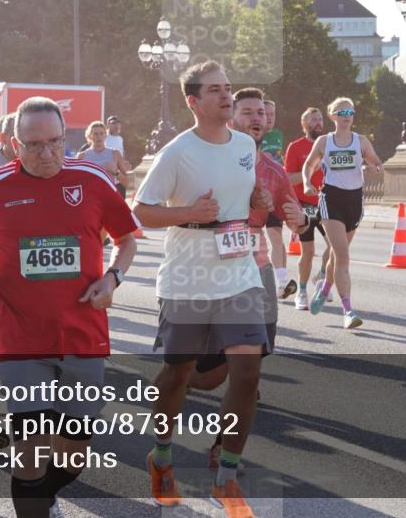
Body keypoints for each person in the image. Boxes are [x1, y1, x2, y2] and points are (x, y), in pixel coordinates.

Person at [0, 97, 139, 517]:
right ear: (13, 145)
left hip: (83, 334)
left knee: (73, 458)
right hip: (19, 338)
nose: (48, 153)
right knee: (30, 454)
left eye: (55, 141)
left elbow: (126, 240)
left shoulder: (92, 179)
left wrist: (113, 278)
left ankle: (45, 495)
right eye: (34, 145)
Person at [133, 60, 273, 518]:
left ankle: (225, 476)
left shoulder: (245, 144)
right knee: (178, 374)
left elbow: (244, 197)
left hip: (239, 274)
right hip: (187, 277)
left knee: (247, 374)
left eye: (228, 87)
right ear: (193, 101)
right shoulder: (177, 151)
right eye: (215, 89)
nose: (227, 95)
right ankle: (162, 456)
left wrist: (258, 201)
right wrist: (189, 213)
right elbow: (142, 210)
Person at [188, 87, 306, 471]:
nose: (257, 118)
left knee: (248, 371)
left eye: (261, 113)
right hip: (213, 271)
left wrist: (301, 219)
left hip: (257, 271)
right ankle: (176, 381)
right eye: (248, 112)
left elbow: (296, 217)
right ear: (230, 116)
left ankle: (224, 450)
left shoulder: (271, 169)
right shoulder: (205, 159)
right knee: (207, 377)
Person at [302, 97, 383, 328]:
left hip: (354, 201)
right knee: (343, 255)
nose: (347, 116)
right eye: (342, 112)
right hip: (331, 199)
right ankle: (348, 311)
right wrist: (307, 182)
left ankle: (324, 288)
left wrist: (375, 168)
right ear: (333, 116)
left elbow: (376, 162)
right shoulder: (324, 141)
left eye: (350, 112)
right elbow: (309, 164)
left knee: (337, 255)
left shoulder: (361, 141)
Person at [284, 107, 332, 310]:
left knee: (335, 246)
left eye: (320, 119)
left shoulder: (330, 145)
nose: (318, 123)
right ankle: (302, 292)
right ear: (304, 124)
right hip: (305, 205)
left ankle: (322, 276)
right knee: (308, 250)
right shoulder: (296, 147)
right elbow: (288, 178)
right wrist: (312, 169)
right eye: (313, 119)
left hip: (327, 202)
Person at [259, 99, 295, 300]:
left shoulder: (277, 135)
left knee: (276, 237)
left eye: (273, 114)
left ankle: (281, 282)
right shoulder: (251, 136)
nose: (270, 118)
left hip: (273, 192)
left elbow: (279, 163)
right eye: (266, 113)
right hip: (255, 194)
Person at [75, 121, 130, 192]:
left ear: (105, 135)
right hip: (90, 195)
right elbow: (76, 182)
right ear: (90, 136)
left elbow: (127, 184)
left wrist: (116, 172)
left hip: (108, 195)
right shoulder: (82, 156)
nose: (99, 136)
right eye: (95, 134)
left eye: (101, 133)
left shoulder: (115, 154)